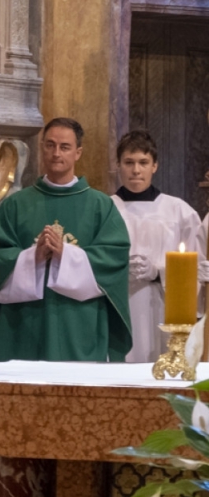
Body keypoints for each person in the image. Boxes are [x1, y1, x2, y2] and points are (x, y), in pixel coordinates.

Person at [0, 117, 132, 361]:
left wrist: (67, 254)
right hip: (24, 326)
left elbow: (114, 259)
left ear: (78, 152)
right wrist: (32, 257)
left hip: (78, 325)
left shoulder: (100, 206)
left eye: (65, 147)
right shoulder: (15, 205)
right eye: (50, 145)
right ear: (42, 148)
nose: (56, 153)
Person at [110, 130, 201, 362]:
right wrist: (118, 269)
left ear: (155, 166)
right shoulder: (105, 209)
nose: (136, 170)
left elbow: (196, 270)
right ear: (118, 165)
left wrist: (159, 272)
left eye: (143, 162)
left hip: (163, 308)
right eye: (129, 162)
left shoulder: (179, 211)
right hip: (118, 307)